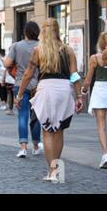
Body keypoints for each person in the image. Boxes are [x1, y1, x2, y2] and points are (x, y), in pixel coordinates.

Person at [15, 18, 83, 182]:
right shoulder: (68, 51)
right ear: (58, 30)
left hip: (46, 89)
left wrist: (19, 95)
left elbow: (28, 74)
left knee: (47, 129)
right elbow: (74, 75)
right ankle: (56, 169)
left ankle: (52, 171)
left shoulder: (39, 50)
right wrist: (79, 95)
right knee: (59, 130)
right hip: (64, 90)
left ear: (43, 32)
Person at [4, 21, 43, 158]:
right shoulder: (41, 46)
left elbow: (7, 63)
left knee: (23, 115)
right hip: (39, 85)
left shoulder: (16, 46)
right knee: (37, 116)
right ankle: (37, 145)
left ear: (25, 32)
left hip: (21, 84)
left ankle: (23, 147)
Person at [82, 32, 107, 169]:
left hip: (100, 91)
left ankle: (105, 155)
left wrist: (83, 92)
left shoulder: (94, 58)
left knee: (101, 124)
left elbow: (88, 80)